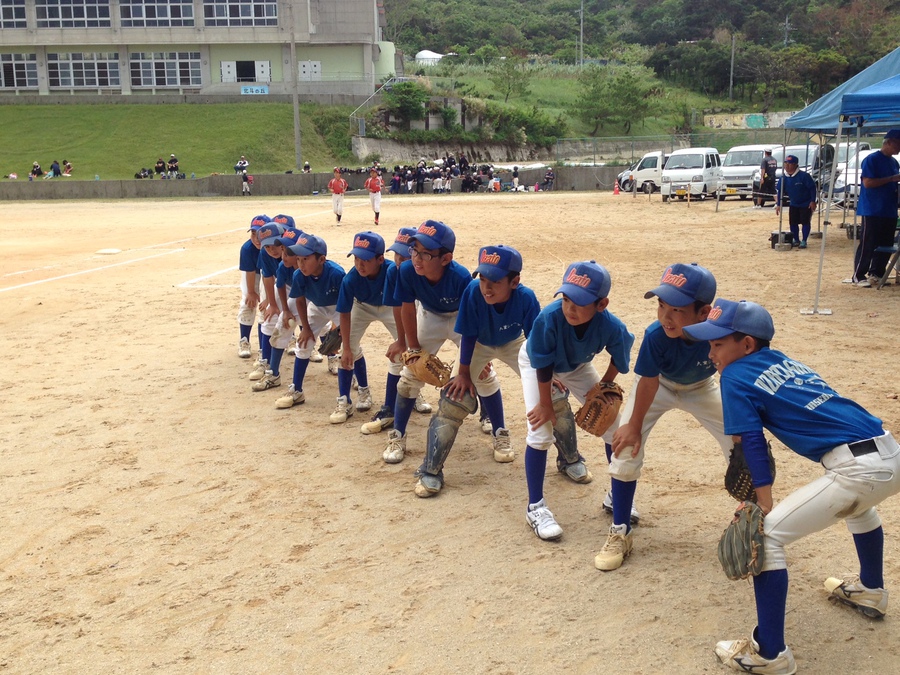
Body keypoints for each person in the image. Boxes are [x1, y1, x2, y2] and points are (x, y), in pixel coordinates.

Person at [682, 299, 900, 675]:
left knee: (766, 537)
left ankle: (770, 654)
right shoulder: (780, 359)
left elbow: (751, 440)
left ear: (747, 345)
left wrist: (762, 503)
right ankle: (871, 590)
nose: (711, 352)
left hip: (858, 469)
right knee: (860, 506)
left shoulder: (735, 375)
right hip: (890, 453)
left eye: (718, 344)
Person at [599, 263, 733, 571]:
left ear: (704, 313)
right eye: (661, 305)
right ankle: (620, 530)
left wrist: (741, 428)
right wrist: (633, 426)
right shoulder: (656, 335)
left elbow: (733, 373)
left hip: (701, 387)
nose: (665, 316)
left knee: (744, 447)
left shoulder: (720, 333)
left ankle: (753, 523)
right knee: (625, 446)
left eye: (677, 309)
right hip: (658, 386)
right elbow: (647, 381)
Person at [519, 261, 634, 541]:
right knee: (541, 429)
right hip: (537, 364)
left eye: (580, 302)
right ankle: (535, 507)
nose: (570, 307)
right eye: (567, 298)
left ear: (601, 304)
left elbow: (620, 355)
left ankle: (615, 497)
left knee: (614, 429)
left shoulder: (611, 326)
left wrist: (604, 386)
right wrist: (546, 404)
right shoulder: (549, 318)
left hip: (578, 366)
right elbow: (543, 366)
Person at [414, 245, 541, 497]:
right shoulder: (473, 292)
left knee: (552, 396)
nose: (487, 287)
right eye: (483, 279)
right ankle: (431, 470)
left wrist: (547, 376)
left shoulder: (526, 298)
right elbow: (469, 333)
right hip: (480, 342)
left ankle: (570, 458)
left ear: (514, 281)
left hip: (513, 343)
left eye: (494, 280)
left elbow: (535, 342)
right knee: (454, 396)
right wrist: (463, 373)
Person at [381, 220, 500, 464]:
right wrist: (412, 346)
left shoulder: (460, 277)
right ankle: (398, 434)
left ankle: (498, 429)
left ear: (445, 259)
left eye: (426, 253)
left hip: (461, 318)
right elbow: (406, 309)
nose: (417, 258)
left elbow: (474, 314)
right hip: (430, 316)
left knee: (483, 374)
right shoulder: (406, 271)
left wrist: (480, 353)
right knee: (410, 374)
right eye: (414, 250)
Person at [328, 231, 401, 424]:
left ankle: (410, 392)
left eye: (366, 259)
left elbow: (405, 301)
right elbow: (344, 313)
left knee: (408, 348)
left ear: (380, 259)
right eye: (357, 258)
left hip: (390, 306)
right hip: (361, 306)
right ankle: (345, 400)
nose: (360, 264)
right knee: (347, 350)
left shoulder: (392, 271)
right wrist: (346, 346)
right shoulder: (350, 279)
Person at [272, 233, 345, 407]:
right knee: (304, 343)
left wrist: (339, 327)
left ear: (321, 259)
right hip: (316, 307)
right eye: (298, 259)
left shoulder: (337, 274)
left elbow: (347, 303)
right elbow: (300, 301)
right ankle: (296, 390)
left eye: (305, 259)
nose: (301, 264)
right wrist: (305, 328)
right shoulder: (299, 275)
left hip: (339, 308)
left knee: (352, 346)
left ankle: (358, 383)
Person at [845, 130, 900, 287]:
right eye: (898, 144)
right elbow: (868, 183)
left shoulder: (894, 162)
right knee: (868, 243)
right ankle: (858, 274)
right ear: (888, 142)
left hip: (889, 209)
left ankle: (877, 272)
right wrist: (891, 179)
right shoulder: (872, 160)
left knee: (886, 243)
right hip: (872, 209)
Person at [251, 226, 303, 394]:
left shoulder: (304, 251)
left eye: (275, 245)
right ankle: (271, 371)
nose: (272, 250)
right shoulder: (277, 261)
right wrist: (275, 305)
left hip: (311, 289)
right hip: (290, 288)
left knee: (323, 328)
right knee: (276, 323)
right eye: (267, 246)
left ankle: (335, 359)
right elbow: (274, 281)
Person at [237, 215, 270, 359]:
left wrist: (268, 297)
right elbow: (250, 271)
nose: (256, 238)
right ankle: (244, 340)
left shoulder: (274, 246)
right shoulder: (247, 248)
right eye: (253, 233)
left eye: (260, 234)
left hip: (270, 274)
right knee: (247, 302)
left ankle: (290, 338)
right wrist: (251, 292)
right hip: (255, 274)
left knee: (273, 305)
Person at [775, 154, 817, 249]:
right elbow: (780, 191)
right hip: (793, 203)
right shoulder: (783, 178)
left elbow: (812, 188)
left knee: (805, 222)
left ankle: (804, 240)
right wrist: (778, 204)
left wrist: (812, 201)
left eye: (789, 163)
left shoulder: (804, 176)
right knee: (793, 223)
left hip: (806, 203)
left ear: (795, 165)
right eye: (786, 163)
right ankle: (796, 239)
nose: (787, 165)